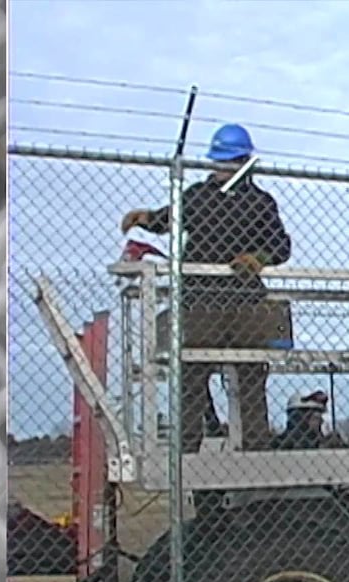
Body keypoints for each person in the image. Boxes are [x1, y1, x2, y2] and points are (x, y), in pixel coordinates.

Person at [120, 123, 290, 454]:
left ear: (245, 162)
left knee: (251, 376)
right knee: (193, 376)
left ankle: (256, 447)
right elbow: (168, 219)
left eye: (233, 161)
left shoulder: (260, 202)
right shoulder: (197, 196)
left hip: (245, 303)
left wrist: (259, 258)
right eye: (222, 162)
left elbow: (281, 245)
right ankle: (185, 450)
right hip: (200, 301)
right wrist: (144, 217)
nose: (225, 169)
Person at [272, 390, 347, 450]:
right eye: (316, 417)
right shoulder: (279, 444)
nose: (321, 421)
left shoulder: (322, 442)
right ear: (299, 417)